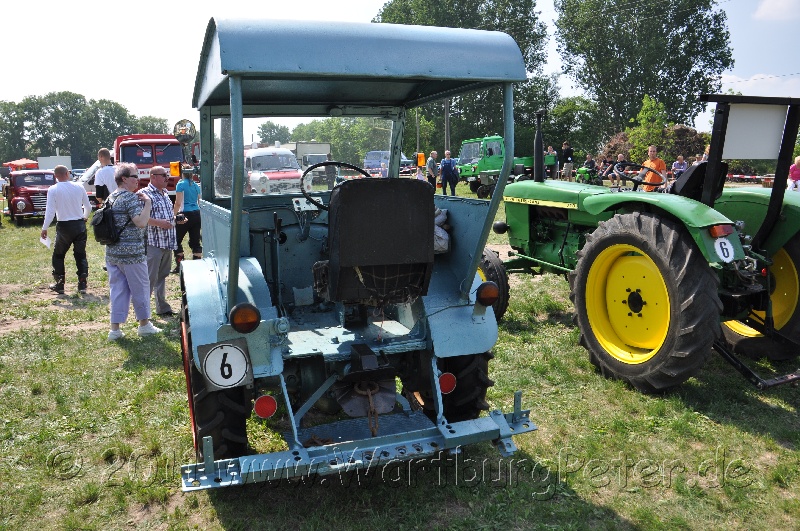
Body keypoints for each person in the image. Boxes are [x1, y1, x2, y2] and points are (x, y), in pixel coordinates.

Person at [105, 163, 160, 340]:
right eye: (135, 176)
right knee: (141, 289)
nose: (138, 180)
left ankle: (115, 330)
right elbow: (141, 222)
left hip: (113, 253)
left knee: (118, 291)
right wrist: (148, 203)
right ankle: (144, 325)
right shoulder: (129, 198)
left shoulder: (111, 197)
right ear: (124, 179)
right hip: (132, 254)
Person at [40, 165, 92, 294]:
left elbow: (50, 211)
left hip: (64, 226)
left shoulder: (53, 189)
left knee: (58, 255)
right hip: (79, 225)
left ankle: (60, 283)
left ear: (55, 176)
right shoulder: (79, 187)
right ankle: (82, 282)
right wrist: (84, 217)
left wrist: (44, 228)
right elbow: (88, 206)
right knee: (80, 254)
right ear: (67, 174)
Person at [142, 166, 177, 317]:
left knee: (162, 275)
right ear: (153, 177)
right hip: (153, 243)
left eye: (167, 175)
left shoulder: (165, 193)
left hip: (167, 242)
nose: (167, 178)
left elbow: (168, 216)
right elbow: (139, 219)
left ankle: (162, 308)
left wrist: (176, 220)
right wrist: (159, 223)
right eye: (164, 175)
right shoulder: (144, 194)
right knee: (149, 278)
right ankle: (143, 312)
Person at [172, 170, 203, 273]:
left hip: (184, 214)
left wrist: (173, 214)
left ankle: (180, 265)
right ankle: (197, 265)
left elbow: (178, 202)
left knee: (176, 240)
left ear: (183, 173)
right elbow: (200, 201)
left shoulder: (180, 184)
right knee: (195, 241)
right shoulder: (195, 185)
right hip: (196, 214)